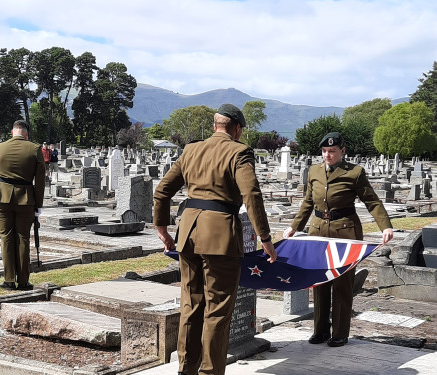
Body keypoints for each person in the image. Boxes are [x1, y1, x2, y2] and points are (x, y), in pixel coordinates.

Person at [154, 104, 277, 375]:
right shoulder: (239, 151)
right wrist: (265, 238)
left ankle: (186, 370)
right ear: (237, 129)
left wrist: (162, 229)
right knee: (217, 311)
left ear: (214, 126)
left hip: (188, 234)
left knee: (191, 305)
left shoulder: (191, 150)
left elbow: (162, 191)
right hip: (220, 236)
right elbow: (251, 195)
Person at [283, 131, 393, 347]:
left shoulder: (355, 172)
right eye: (324, 151)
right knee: (320, 281)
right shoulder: (314, 171)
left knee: (342, 284)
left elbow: (372, 201)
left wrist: (386, 226)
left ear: (342, 151)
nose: (327, 155)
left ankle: (340, 332)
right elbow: (308, 202)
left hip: (345, 232)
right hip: (318, 232)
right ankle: (321, 330)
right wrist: (294, 227)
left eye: (332, 151)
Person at [0, 120, 45, 291]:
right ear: (26, 134)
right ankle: (23, 281)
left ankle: (8, 279)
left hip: (2, 198)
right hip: (25, 199)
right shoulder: (35, 149)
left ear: (12, 132)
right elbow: (40, 181)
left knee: (6, 237)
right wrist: (39, 205)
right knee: (23, 238)